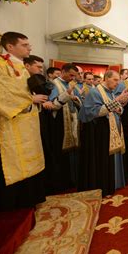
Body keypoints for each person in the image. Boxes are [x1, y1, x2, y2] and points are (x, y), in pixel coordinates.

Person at [0, 31, 46, 211]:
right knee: (16, 163)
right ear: (10, 46)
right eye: (24, 45)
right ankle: (15, 206)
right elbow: (0, 94)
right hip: (12, 124)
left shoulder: (21, 66)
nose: (29, 48)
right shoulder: (0, 65)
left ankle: (29, 201)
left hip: (27, 123)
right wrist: (29, 100)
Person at [78, 70, 128, 196]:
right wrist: (116, 101)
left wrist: (119, 107)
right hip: (100, 132)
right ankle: (105, 185)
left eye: (118, 80)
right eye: (115, 80)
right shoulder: (95, 92)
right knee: (103, 160)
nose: (118, 83)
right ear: (106, 78)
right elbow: (94, 112)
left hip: (112, 130)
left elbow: (116, 108)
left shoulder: (110, 92)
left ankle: (115, 182)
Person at [46, 63, 80, 191]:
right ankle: (64, 181)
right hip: (60, 121)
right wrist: (67, 94)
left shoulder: (71, 84)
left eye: (74, 76)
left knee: (74, 149)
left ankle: (74, 178)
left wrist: (76, 98)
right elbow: (52, 105)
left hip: (73, 119)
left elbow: (77, 99)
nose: (72, 78)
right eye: (70, 75)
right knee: (63, 153)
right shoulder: (54, 84)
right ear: (63, 72)